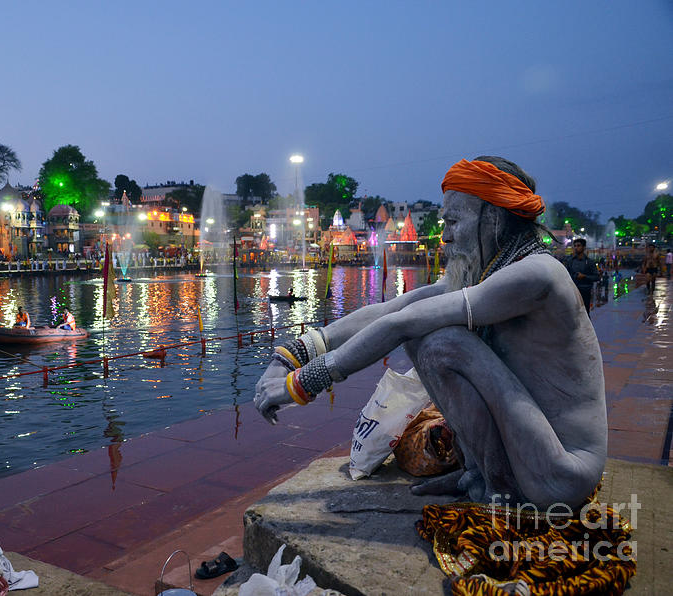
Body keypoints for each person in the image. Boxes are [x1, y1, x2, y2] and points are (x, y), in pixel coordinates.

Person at [254, 156, 606, 510]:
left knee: (441, 343)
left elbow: (400, 322)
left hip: (560, 473)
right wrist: (290, 354)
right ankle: (480, 473)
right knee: (424, 334)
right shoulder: (487, 274)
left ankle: (501, 488)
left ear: (494, 219)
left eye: (453, 221)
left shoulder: (536, 274)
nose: (445, 235)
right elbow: (391, 309)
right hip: (530, 455)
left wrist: (299, 385)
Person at [562, 238, 599, 314]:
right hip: (573, 292)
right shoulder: (570, 261)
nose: (576, 247)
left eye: (578, 245)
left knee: (585, 313)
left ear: (584, 247)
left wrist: (584, 276)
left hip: (585, 291)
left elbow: (596, 277)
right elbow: (566, 276)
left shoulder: (589, 262)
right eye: (575, 246)